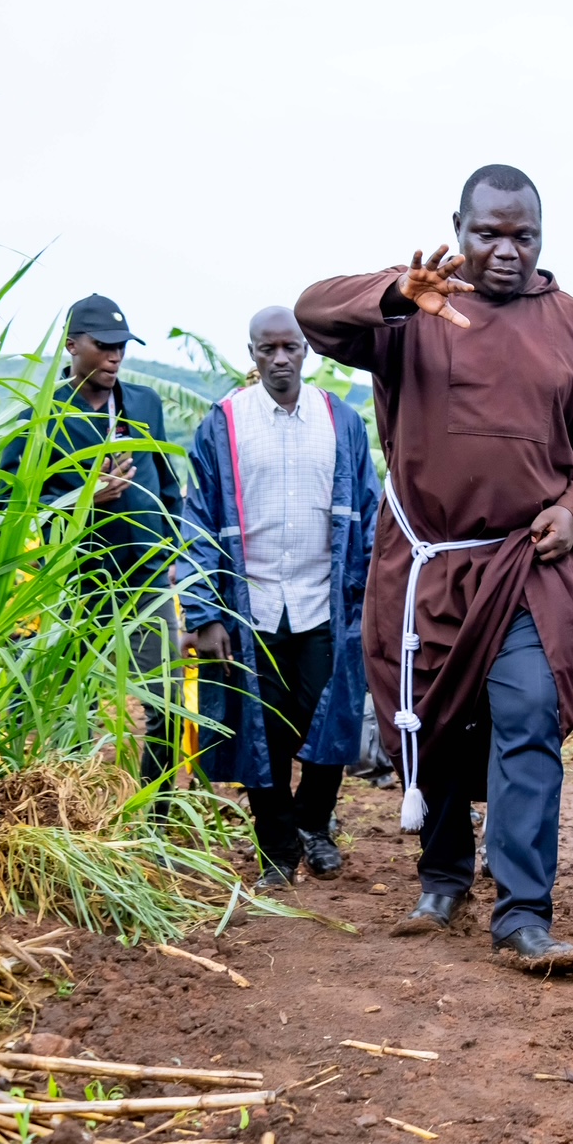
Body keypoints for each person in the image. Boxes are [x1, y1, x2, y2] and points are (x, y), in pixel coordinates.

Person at [295, 164, 573, 973]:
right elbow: (313, 313)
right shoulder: (413, 310)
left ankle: (523, 913)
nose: (507, 250)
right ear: (458, 228)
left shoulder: (571, 324)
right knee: (434, 720)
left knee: (529, 714)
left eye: (523, 236)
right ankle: (443, 879)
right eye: (489, 234)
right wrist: (395, 293)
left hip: (525, 563)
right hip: (428, 562)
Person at [180, 307, 381, 890]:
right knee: (259, 730)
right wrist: (205, 614)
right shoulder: (225, 423)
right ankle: (276, 847)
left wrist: (373, 598)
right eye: (267, 349)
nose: (280, 359)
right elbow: (198, 520)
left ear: (306, 350)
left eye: (290, 347)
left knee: (330, 720)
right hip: (252, 607)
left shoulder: (340, 420)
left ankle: (314, 823)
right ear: (252, 354)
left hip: (324, 602)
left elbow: (369, 511)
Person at [0, 294, 183, 778]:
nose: (115, 356)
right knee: (69, 705)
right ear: (72, 346)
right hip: (74, 585)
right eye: (103, 346)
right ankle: (75, 806)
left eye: (122, 346)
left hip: (144, 578)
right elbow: (7, 504)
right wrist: (82, 499)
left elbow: (168, 487)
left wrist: (170, 552)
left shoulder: (144, 403)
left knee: (165, 702)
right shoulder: (41, 415)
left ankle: (158, 810)